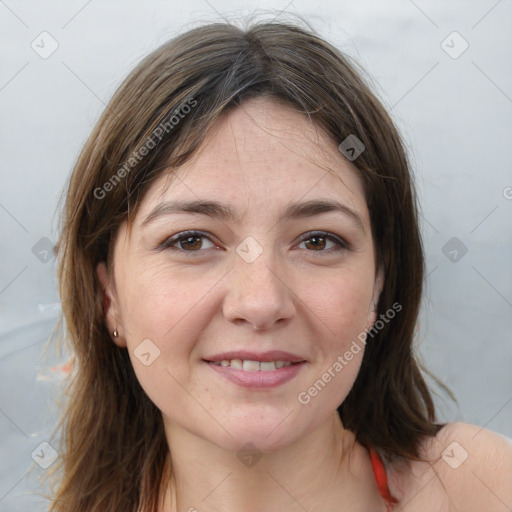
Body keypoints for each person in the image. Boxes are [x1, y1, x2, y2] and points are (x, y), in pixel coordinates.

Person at [46, 18, 512, 512]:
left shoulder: (479, 489)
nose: (261, 302)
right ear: (109, 297)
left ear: (379, 283)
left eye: (317, 241)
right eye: (191, 240)